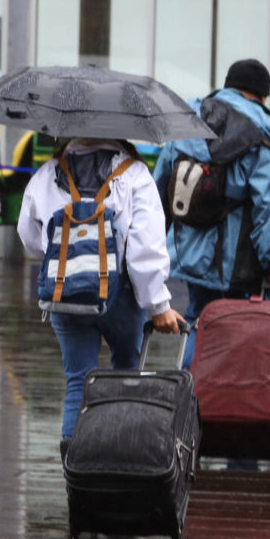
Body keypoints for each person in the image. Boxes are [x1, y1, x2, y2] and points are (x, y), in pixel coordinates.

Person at [17, 137, 183, 455]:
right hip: (120, 298)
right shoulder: (133, 174)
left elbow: (31, 238)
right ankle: (119, 459)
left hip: (64, 296)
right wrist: (158, 305)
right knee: (125, 376)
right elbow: (144, 246)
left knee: (78, 381)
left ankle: (75, 468)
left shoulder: (48, 174)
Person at [153, 59, 270, 367]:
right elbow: (269, 201)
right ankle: (215, 399)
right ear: (261, 96)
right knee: (236, 328)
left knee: (199, 317)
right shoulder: (260, 130)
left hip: (190, 253)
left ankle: (189, 394)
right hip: (238, 263)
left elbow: (160, 189)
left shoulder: (190, 121)